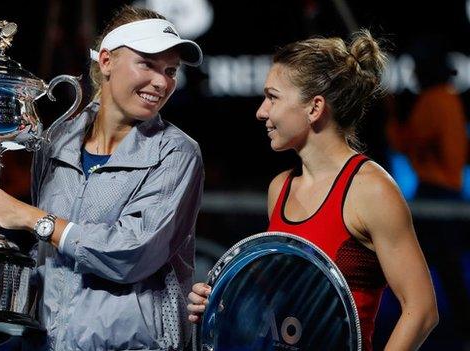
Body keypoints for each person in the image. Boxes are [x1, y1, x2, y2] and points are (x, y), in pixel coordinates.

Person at [0, 6, 204, 350]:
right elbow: (47, 257)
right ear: (106, 61)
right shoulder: (57, 138)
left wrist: (35, 220)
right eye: (148, 65)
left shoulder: (177, 153)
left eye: (170, 70)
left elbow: (132, 253)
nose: (161, 82)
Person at [187, 30, 438, 351]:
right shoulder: (280, 188)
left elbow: (422, 311)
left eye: (273, 97)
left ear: (314, 107)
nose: (261, 111)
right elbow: (281, 304)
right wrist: (221, 300)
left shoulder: (371, 190)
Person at [387, 36, 470, 346]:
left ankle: (409, 331)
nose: (414, 75)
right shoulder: (448, 98)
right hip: (443, 193)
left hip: (436, 195)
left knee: (403, 264)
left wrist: (393, 116)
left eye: (419, 69)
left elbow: (408, 143)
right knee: (441, 269)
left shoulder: (435, 100)